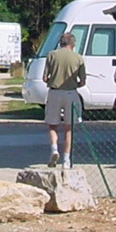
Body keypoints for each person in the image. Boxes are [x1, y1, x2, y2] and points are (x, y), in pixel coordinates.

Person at [41, 32, 86, 169]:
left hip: (54, 92)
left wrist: (52, 80)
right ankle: (67, 160)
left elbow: (44, 78)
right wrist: (75, 84)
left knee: (52, 124)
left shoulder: (52, 55)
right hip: (71, 93)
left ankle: (54, 149)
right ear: (73, 44)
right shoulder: (78, 58)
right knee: (69, 128)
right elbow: (83, 81)